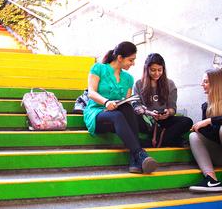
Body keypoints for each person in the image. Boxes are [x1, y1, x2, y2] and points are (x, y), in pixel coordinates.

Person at [83, 41, 158, 174]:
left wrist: (119, 104)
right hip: (97, 112)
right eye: (131, 60)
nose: (133, 63)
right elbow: (91, 93)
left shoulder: (128, 78)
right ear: (119, 58)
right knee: (118, 115)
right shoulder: (98, 68)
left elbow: (126, 102)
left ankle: (135, 159)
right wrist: (106, 102)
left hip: (117, 117)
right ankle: (139, 155)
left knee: (127, 109)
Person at [133, 53, 193, 147]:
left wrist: (167, 113)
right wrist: (148, 112)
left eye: (159, 70)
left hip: (164, 120)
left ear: (163, 69)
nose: (157, 73)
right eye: (153, 70)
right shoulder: (138, 84)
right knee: (132, 116)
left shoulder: (170, 84)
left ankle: (155, 142)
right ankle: (173, 141)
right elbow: (136, 106)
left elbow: (172, 108)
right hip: (147, 120)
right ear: (146, 69)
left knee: (187, 121)